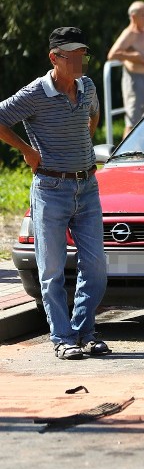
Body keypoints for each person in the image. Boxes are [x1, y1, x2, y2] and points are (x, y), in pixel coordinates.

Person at [0, 27, 108, 360]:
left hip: (88, 186)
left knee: (96, 268)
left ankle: (84, 332)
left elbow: (93, 114)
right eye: (71, 55)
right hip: (51, 189)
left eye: (82, 55)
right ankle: (63, 338)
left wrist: (84, 143)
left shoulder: (87, 85)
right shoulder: (35, 92)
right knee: (51, 270)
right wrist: (25, 150)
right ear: (54, 57)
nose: (78, 61)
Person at [108, 0, 144, 138]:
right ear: (133, 17)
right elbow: (112, 54)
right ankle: (124, 157)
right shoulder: (130, 33)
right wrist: (133, 57)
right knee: (133, 121)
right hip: (136, 81)